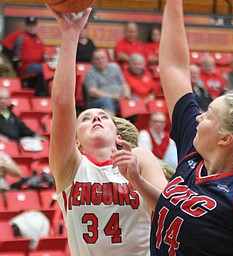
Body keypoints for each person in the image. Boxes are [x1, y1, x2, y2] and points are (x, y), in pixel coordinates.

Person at [118, 0, 233, 255]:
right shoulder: (193, 154)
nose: (198, 118)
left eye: (208, 115)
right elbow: (174, 68)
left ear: (225, 138)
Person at [48, 8, 167, 256]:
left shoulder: (140, 156)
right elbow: (61, 103)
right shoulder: (70, 166)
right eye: (86, 118)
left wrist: (137, 180)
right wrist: (70, 34)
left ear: (118, 136)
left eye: (103, 117)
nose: (96, 119)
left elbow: (169, 211)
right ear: (77, 142)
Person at [1, 16, 49, 96]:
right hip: (24, 66)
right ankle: (39, 93)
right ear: (26, 26)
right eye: (29, 25)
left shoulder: (39, 40)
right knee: (42, 69)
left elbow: (42, 55)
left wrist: (45, 58)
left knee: (48, 70)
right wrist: (13, 60)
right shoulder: (19, 35)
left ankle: (45, 93)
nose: (31, 28)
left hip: (38, 64)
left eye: (33, 25)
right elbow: (5, 46)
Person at [84, 48, 131, 115]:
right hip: (99, 102)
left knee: (135, 102)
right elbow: (92, 91)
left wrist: (126, 94)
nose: (100, 61)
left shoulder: (115, 68)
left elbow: (124, 84)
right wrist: (111, 97)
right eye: (97, 59)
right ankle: (110, 123)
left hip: (119, 99)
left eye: (102, 58)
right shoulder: (90, 72)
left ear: (107, 59)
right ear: (93, 61)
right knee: (106, 100)